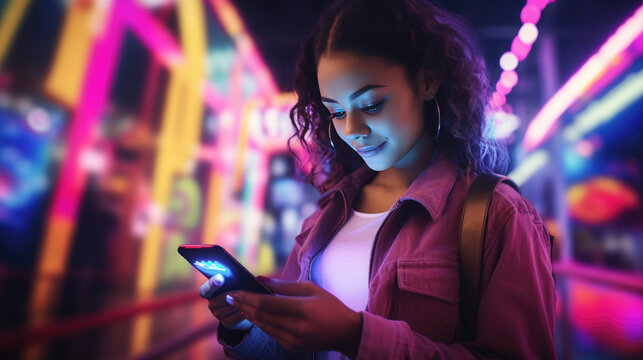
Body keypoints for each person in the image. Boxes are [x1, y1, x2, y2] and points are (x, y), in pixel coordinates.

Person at [199, 0, 557, 358]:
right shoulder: (326, 216)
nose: (351, 130)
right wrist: (244, 324)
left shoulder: (498, 214)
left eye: (371, 105)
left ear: (427, 81)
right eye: (336, 112)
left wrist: (356, 336)